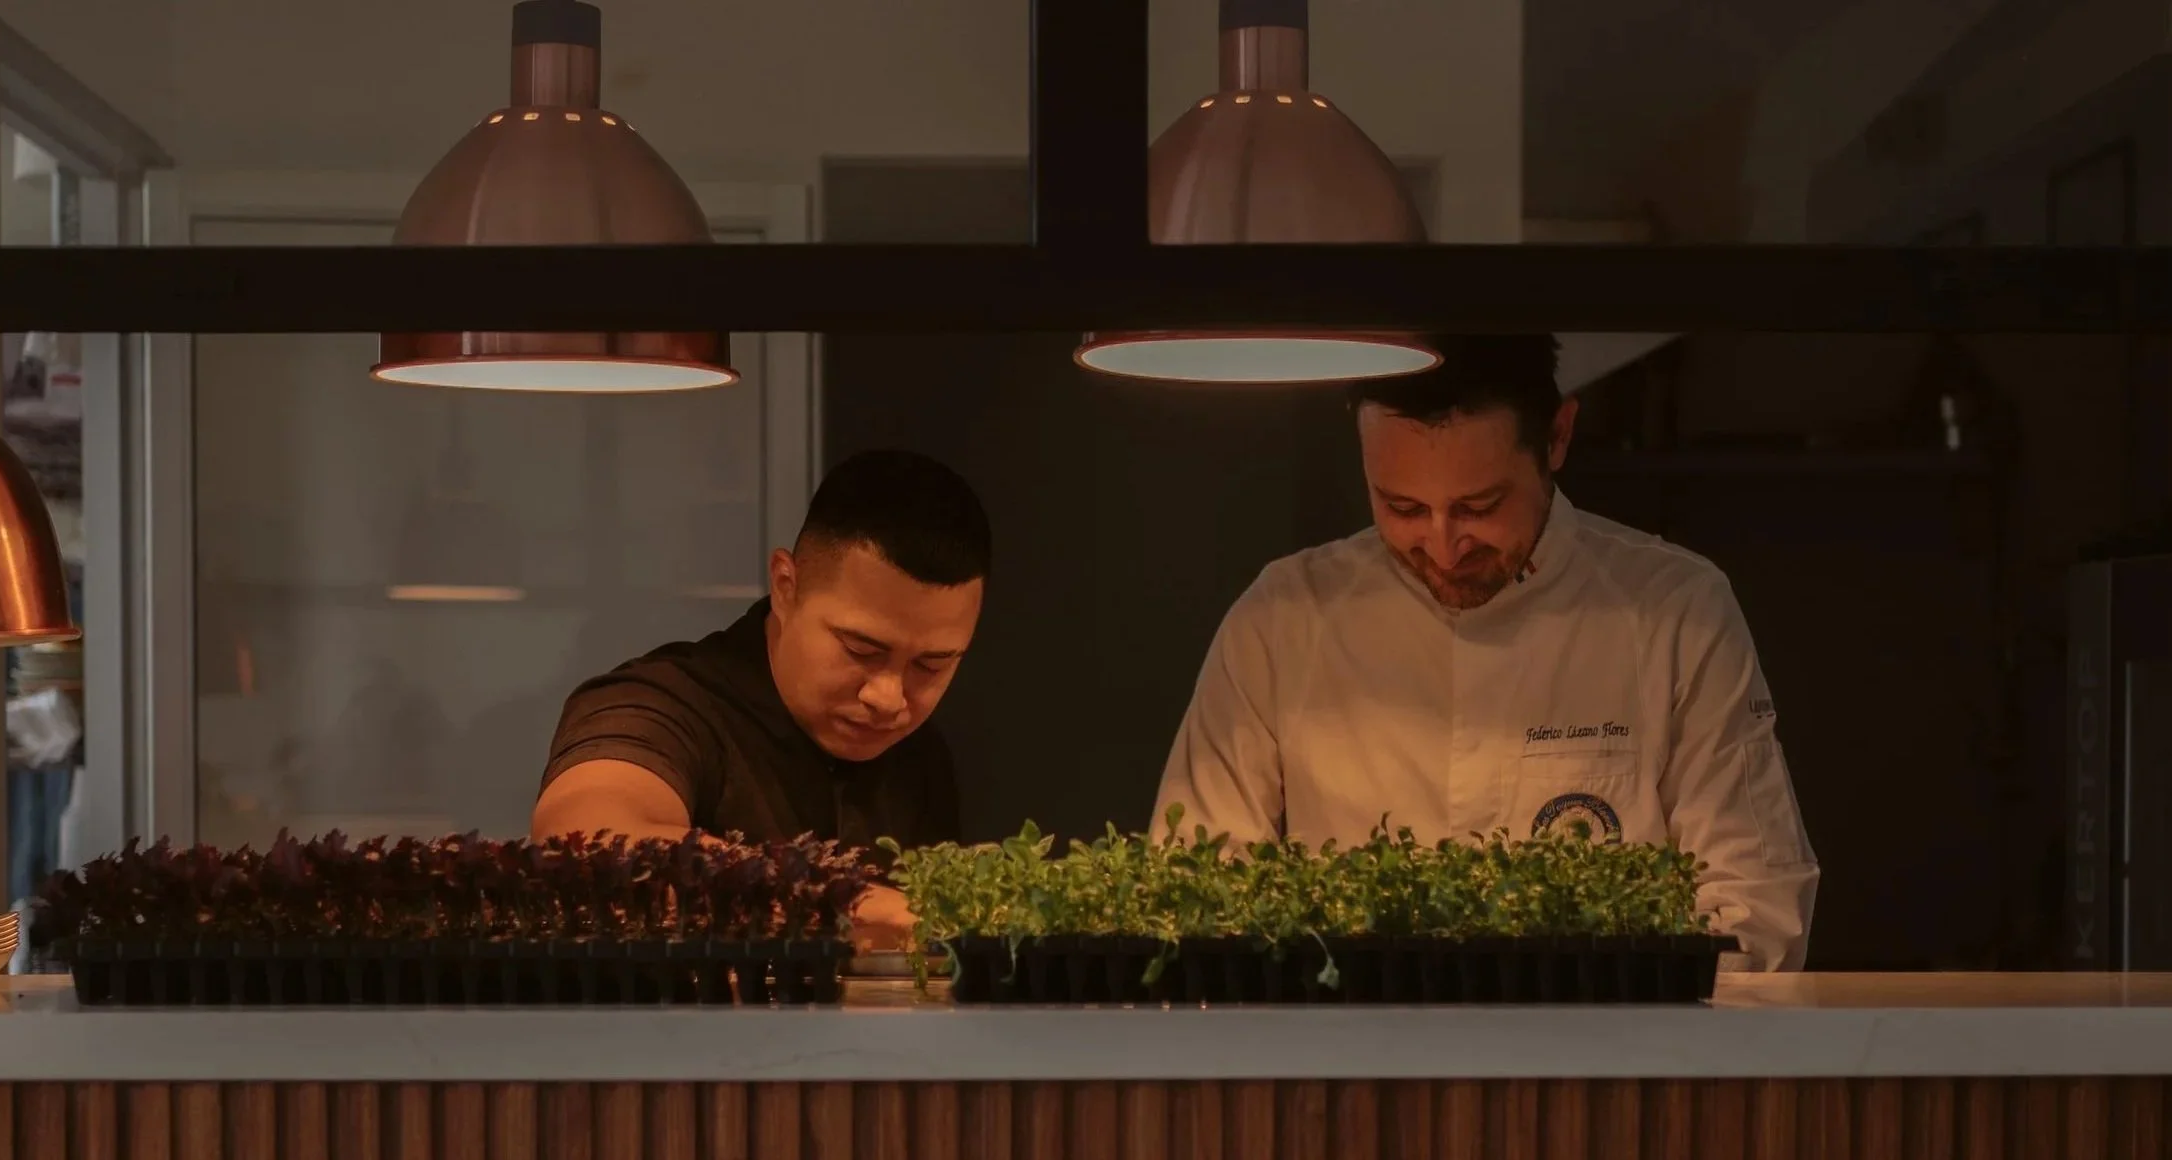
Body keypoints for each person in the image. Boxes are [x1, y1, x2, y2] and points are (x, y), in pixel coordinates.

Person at [1150, 334, 1818, 969]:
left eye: (1480, 505)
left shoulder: (1676, 611)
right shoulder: (1283, 620)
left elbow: (1753, 911)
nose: (1444, 547)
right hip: (1346, 1070)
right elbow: (1196, 896)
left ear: (1557, 437)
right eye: (1402, 507)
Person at [532, 449, 990, 949]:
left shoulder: (919, 760)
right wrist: (852, 903)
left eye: (932, 665)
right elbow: (582, 842)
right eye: (861, 649)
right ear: (785, 586)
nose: (888, 698)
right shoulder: (659, 705)